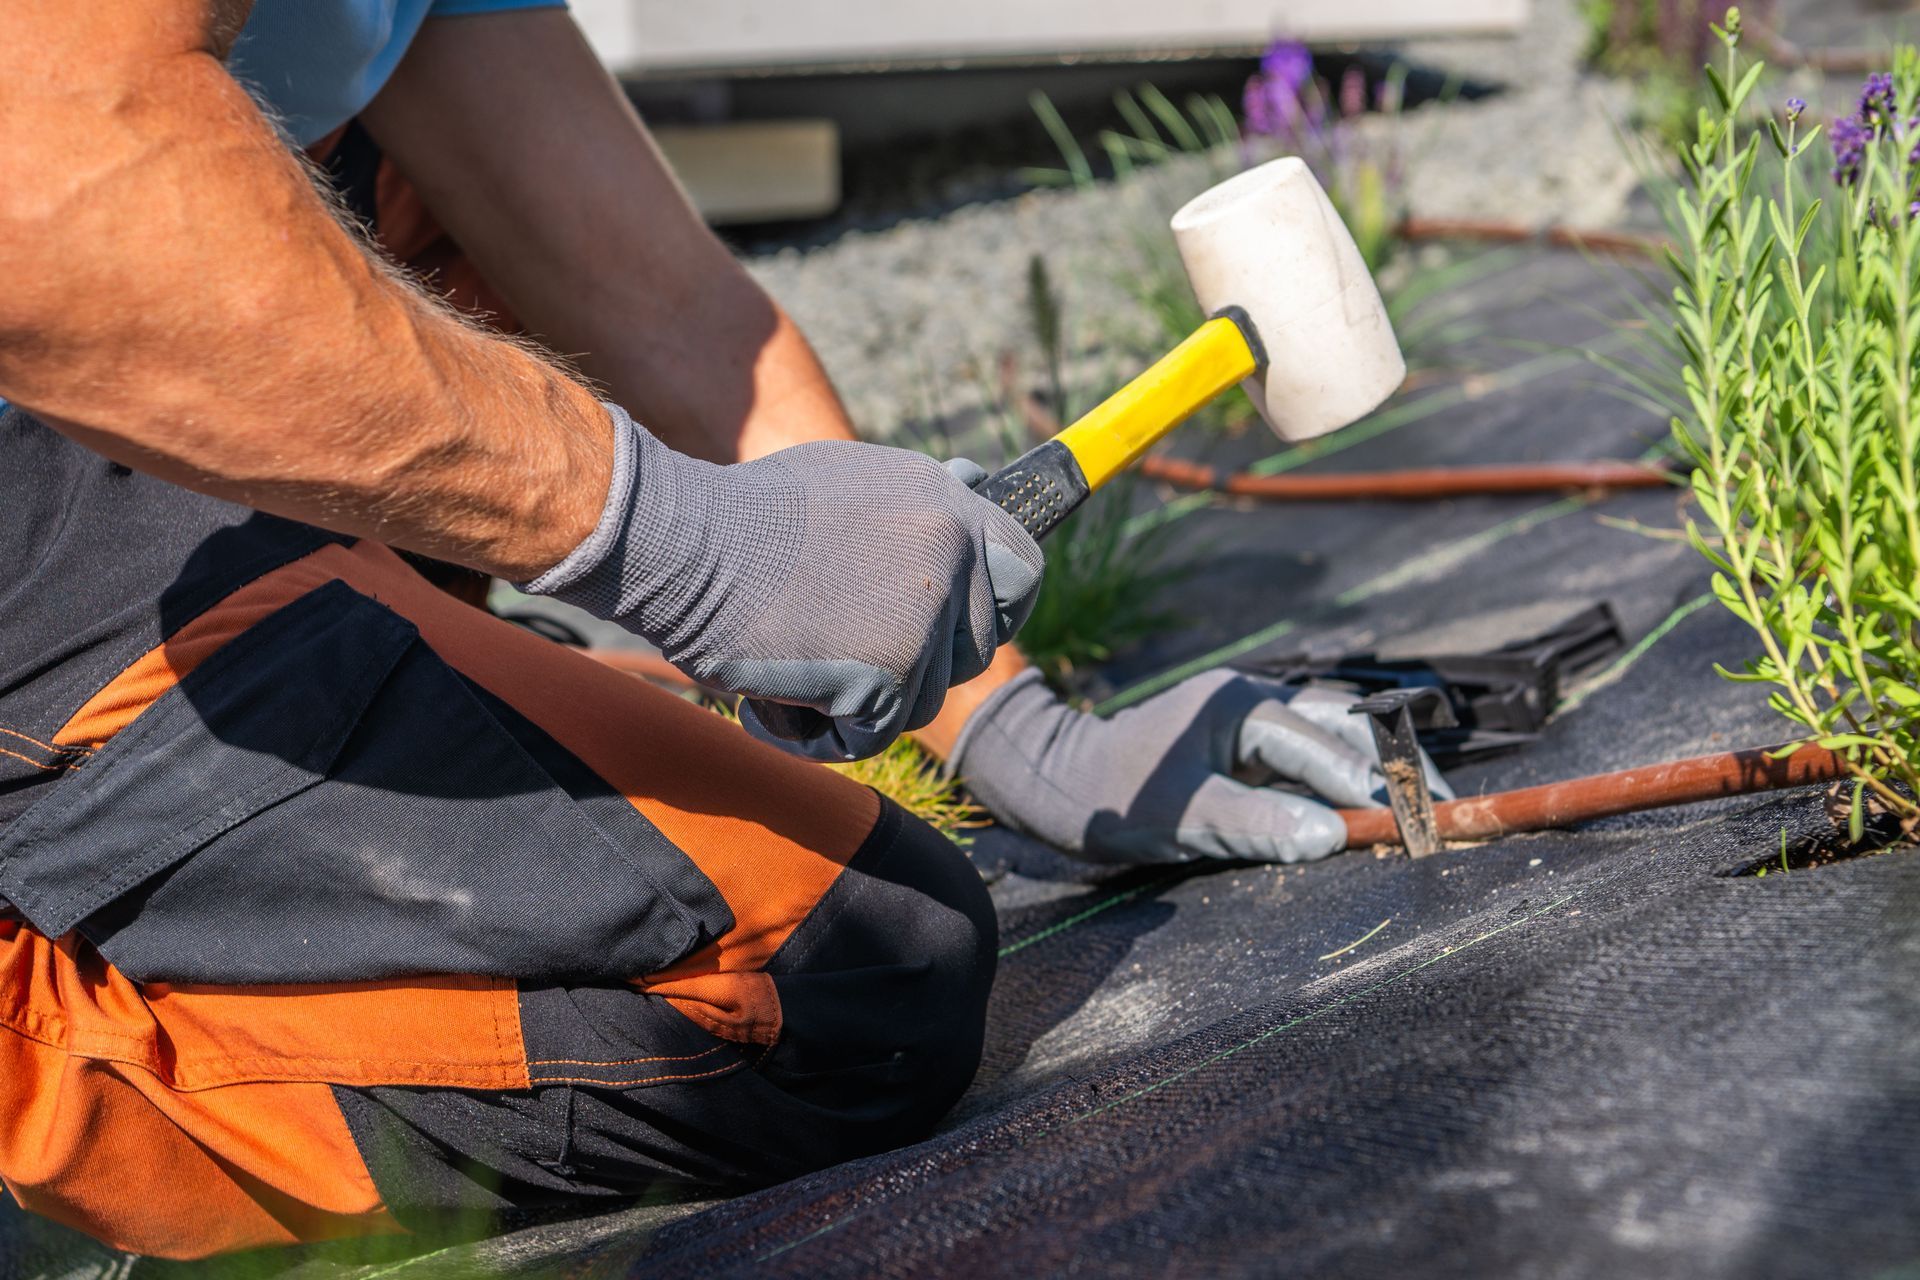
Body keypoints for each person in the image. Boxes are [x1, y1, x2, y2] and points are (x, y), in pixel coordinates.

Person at [0, 1, 1429, 1258]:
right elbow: (53, 191)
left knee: (426, 213)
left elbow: (664, 309)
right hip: (46, 383)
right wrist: (673, 544)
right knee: (832, 984)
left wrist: (998, 713)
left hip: (112, 360)